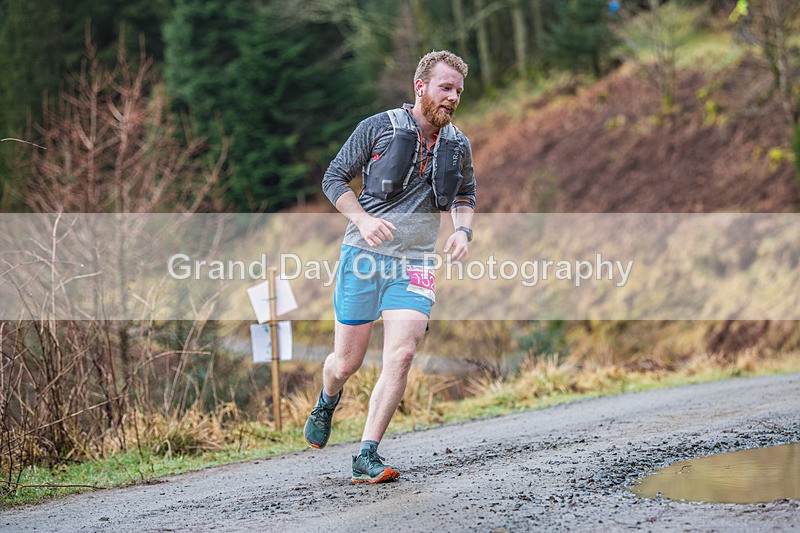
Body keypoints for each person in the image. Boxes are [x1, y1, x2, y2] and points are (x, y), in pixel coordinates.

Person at [305, 50, 477, 484]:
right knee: (346, 363)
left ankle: (367, 454)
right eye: (445, 88)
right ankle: (327, 400)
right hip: (362, 258)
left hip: (416, 262)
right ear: (420, 87)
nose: (453, 97)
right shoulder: (379, 128)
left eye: (458, 90)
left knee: (401, 355)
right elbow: (333, 178)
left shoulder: (458, 144)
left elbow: (465, 195)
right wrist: (362, 219)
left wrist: (462, 231)